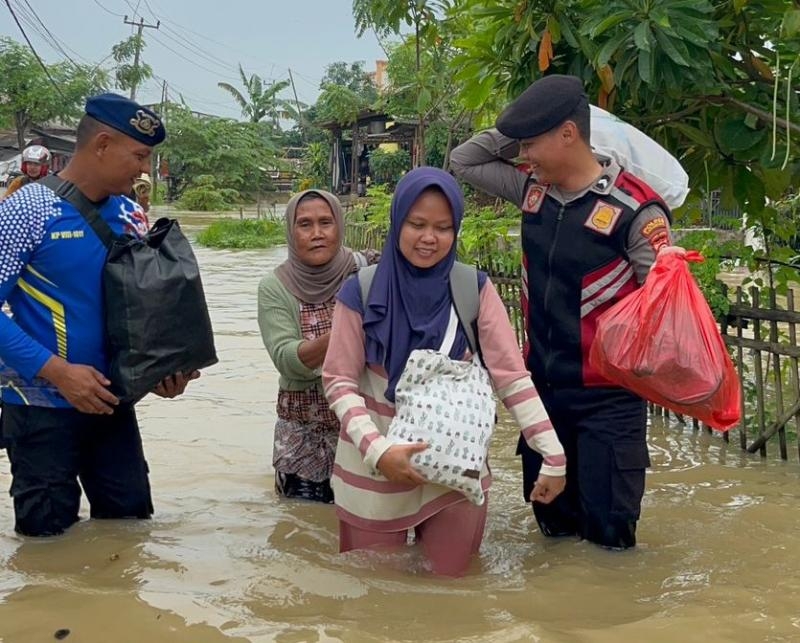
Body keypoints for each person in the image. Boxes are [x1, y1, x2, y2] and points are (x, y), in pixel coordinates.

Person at [449, 75, 678, 550]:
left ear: (568, 133)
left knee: (609, 542)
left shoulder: (636, 210)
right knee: (550, 534)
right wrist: (522, 129)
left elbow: (663, 312)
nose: (523, 154)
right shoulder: (533, 192)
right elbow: (464, 159)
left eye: (531, 142)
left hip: (610, 403)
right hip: (543, 397)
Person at [322, 167, 566, 576]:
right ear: (398, 221)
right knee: (374, 601)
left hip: (456, 470)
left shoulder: (473, 289)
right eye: (416, 224)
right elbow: (339, 381)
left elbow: (511, 377)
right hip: (373, 470)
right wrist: (378, 451)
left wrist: (553, 454)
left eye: (443, 227)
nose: (428, 238)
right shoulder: (360, 292)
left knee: (452, 595)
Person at [0, 93, 198, 537]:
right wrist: (58, 372)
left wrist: (162, 371)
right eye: (140, 155)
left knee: (129, 535)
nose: (145, 169)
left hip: (112, 403)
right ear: (103, 144)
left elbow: (146, 308)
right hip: (39, 406)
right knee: (46, 548)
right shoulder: (25, 211)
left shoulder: (132, 216)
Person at [258, 190, 378, 503]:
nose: (317, 234)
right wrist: (346, 325)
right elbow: (287, 358)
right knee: (303, 530)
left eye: (326, 222)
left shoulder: (366, 273)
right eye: (305, 225)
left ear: (339, 225)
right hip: (302, 436)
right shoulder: (275, 286)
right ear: (290, 230)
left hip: (364, 429)